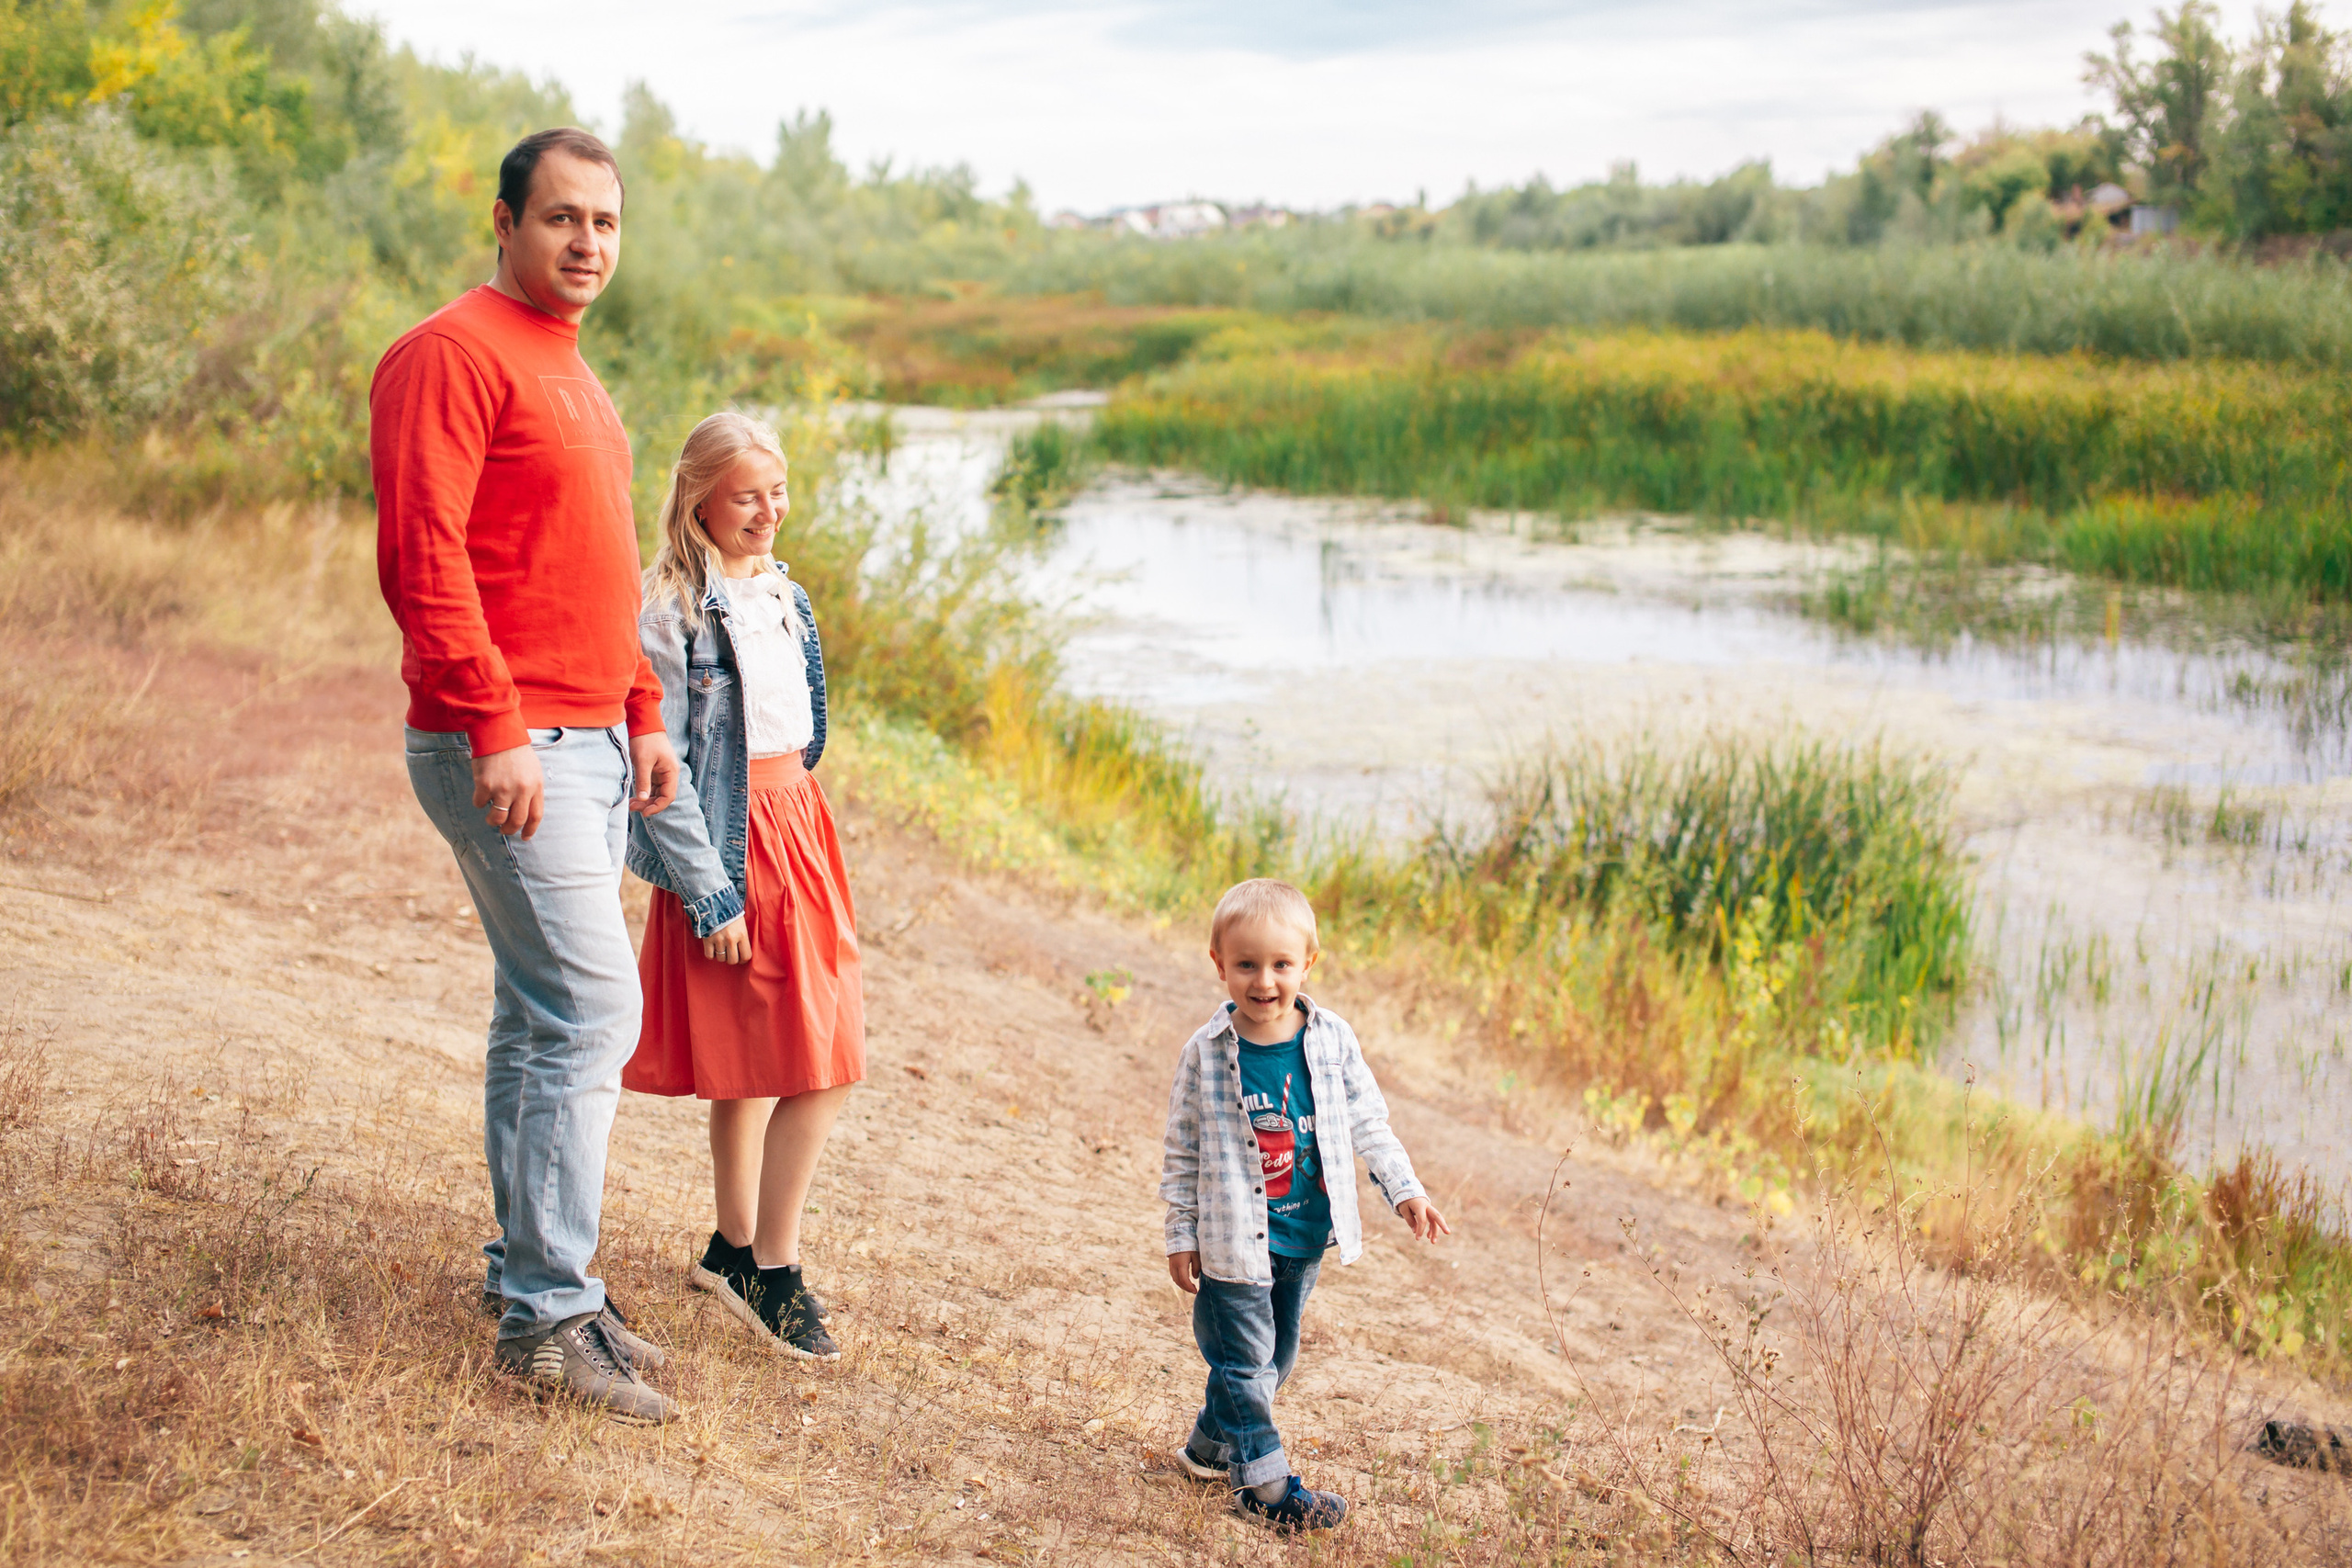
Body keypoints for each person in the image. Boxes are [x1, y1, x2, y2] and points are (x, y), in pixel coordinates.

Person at [373, 127, 681, 1421]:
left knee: (539, 1010)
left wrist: (645, 708)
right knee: (592, 1014)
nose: (586, 244)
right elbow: (422, 553)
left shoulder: (573, 370)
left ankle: (528, 1274)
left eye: (604, 224)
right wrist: (493, 721)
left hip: (590, 738)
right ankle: (550, 1317)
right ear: (503, 223)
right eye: (561, 219)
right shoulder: (449, 352)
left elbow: (596, 563)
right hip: (510, 743)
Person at [623, 412, 865, 1362]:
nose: (767, 510)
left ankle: (733, 1249)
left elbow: (797, 722)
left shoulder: (782, 593)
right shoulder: (674, 607)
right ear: (699, 500)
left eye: (777, 490)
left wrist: (796, 812)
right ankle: (772, 1263)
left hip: (797, 822)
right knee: (803, 1060)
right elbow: (661, 768)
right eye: (745, 495)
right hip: (732, 843)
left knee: (798, 1056)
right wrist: (710, 890)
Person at [1160, 879, 1451, 1532]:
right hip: (1234, 1238)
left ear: (1308, 963)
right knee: (1242, 1359)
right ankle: (1264, 1485)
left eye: (1281, 964)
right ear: (1219, 963)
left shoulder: (1331, 1039)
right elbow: (1182, 1150)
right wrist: (1181, 1230)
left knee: (1274, 1358)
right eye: (1246, 964)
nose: (1264, 981)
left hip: (1304, 1235)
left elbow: (1369, 1120)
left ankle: (1208, 1450)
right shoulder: (1205, 1054)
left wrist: (1405, 1188)